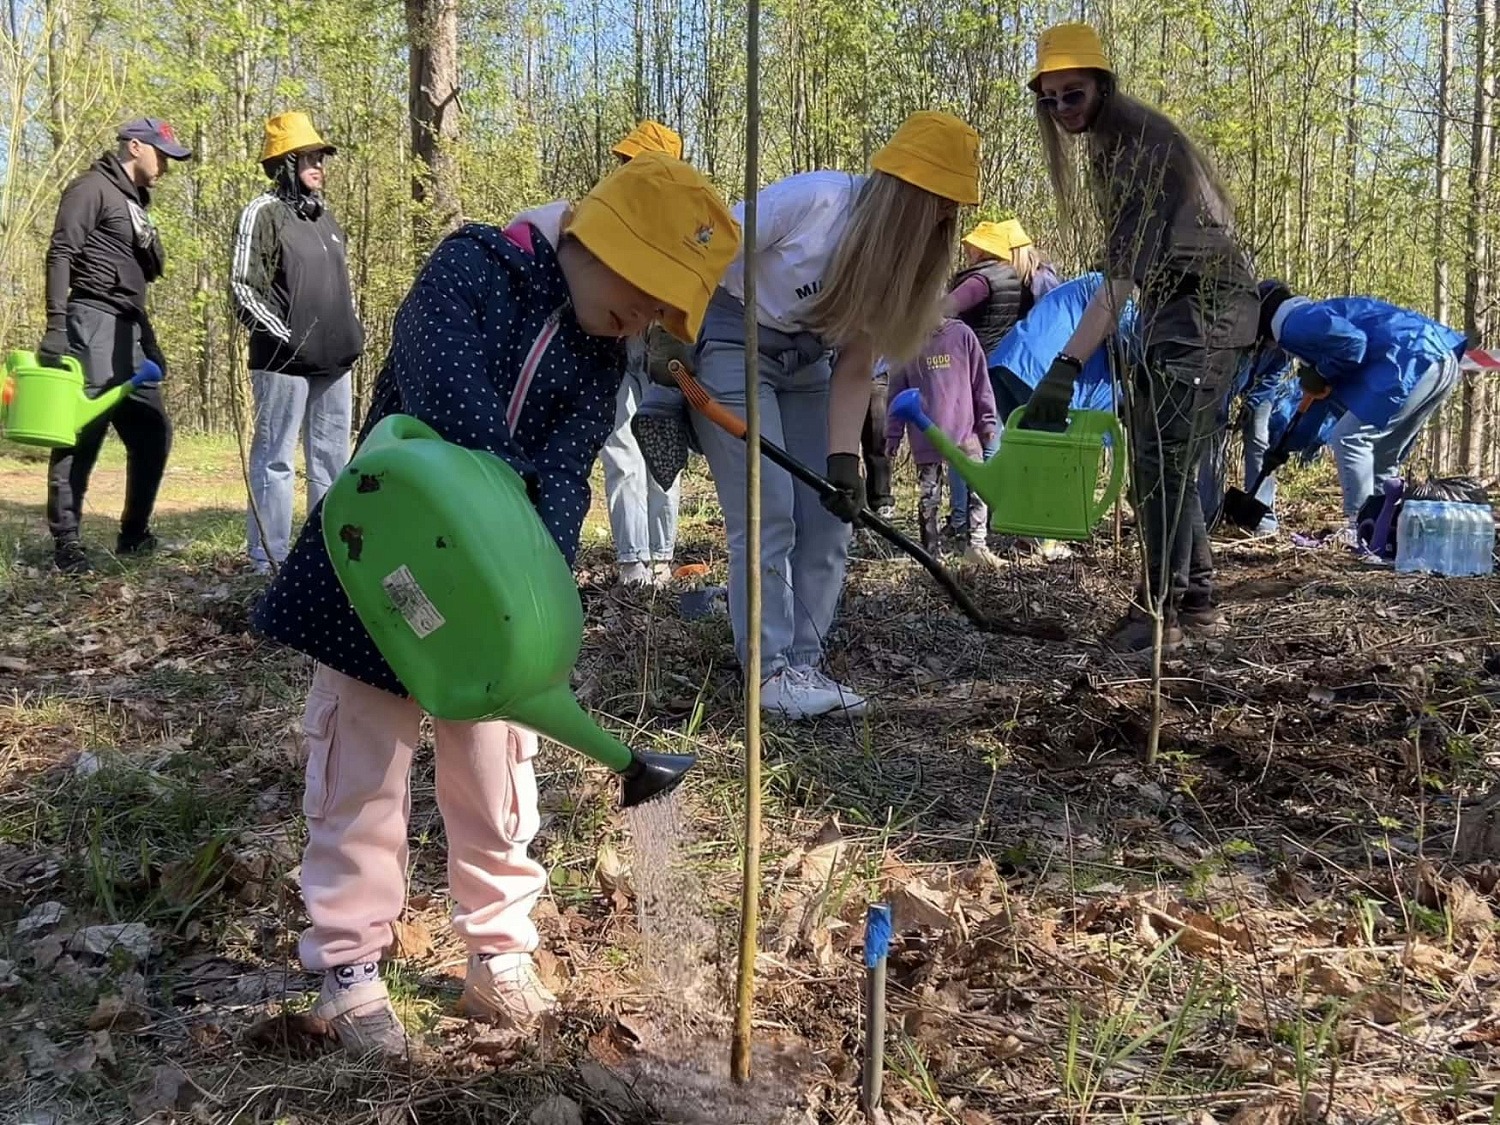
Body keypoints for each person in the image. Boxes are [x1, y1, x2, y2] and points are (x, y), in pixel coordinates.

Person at [250, 154, 738, 1055]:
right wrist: (494, 540)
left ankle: (499, 950)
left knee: (498, 763)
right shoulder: (473, 267)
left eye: (667, 310)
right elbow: (445, 403)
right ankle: (349, 964)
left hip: (494, 603)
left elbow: (564, 472)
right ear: (596, 239)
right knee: (361, 755)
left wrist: (534, 594)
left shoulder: (601, 355)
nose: (645, 319)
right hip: (387, 559)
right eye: (645, 289)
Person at [689, 111, 980, 720]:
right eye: (937, 204)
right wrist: (667, 327)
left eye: (950, 212)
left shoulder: (898, 270)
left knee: (826, 520)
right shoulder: (817, 201)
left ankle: (802, 665)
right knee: (767, 511)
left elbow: (853, 366)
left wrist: (843, 461)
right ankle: (765, 676)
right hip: (733, 339)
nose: (942, 222)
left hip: (809, 364)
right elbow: (705, 246)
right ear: (905, 191)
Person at [1021, 24, 1258, 652]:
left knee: (1162, 467)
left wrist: (1066, 366)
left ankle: (1160, 616)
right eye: (1049, 99)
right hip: (1174, 312)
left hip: (1204, 312)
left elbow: (1117, 283)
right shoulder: (1115, 148)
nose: (1062, 110)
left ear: (1103, 86)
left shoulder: (1139, 152)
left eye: (1073, 94)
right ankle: (1198, 602)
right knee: (1160, 457)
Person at [40, 118, 192, 574]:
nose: (165, 162)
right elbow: (61, 252)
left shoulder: (133, 204)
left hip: (129, 327)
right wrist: (56, 325)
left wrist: (150, 341)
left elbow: (133, 281)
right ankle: (67, 542)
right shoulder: (90, 189)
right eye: (160, 152)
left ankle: (134, 534)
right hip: (91, 320)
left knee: (153, 429)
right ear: (133, 147)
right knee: (83, 430)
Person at [231, 112, 365, 575]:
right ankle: (268, 558)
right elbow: (243, 288)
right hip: (282, 363)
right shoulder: (262, 213)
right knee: (276, 462)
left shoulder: (325, 218)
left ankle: (323, 557)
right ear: (285, 163)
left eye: (320, 157)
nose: (318, 165)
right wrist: (287, 337)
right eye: (308, 157)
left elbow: (340, 287)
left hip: (335, 364)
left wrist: (353, 329)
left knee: (332, 462)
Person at [1256, 283, 1466, 539]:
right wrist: (1283, 447)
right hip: (1438, 358)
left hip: (1411, 361)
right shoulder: (1313, 321)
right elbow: (1318, 406)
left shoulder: (1294, 323)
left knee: (1349, 439)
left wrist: (1320, 372)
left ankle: (1360, 527)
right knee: (1383, 455)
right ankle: (1387, 531)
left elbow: (1354, 344)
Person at [597, 121, 689, 586]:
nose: (625, 169)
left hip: (665, 352)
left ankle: (661, 561)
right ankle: (633, 563)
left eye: (636, 162)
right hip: (616, 346)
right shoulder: (611, 216)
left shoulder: (688, 223)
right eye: (626, 162)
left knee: (663, 452)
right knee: (621, 451)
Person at [942, 219, 1063, 534]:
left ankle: (971, 517)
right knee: (997, 436)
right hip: (1008, 366)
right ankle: (999, 512)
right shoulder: (1020, 280)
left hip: (1014, 367)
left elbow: (1045, 329)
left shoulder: (1033, 282)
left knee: (971, 439)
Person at [885, 318, 998, 565]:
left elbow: (981, 382)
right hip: (926, 438)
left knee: (978, 491)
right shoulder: (906, 343)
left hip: (966, 434)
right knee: (929, 497)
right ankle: (931, 554)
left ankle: (977, 546)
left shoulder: (962, 335)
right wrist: (893, 435)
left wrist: (987, 421)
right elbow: (896, 394)